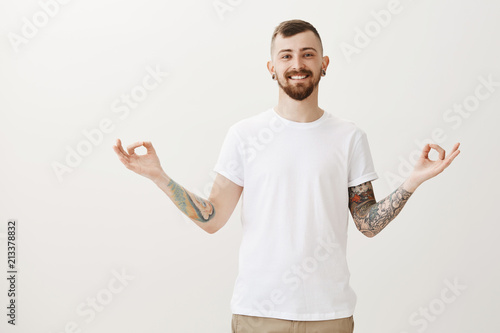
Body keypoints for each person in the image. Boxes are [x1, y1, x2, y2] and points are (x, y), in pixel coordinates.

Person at [112, 19, 461, 333]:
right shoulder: (245, 135)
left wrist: (412, 180)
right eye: (286, 56)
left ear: (324, 64)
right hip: (259, 312)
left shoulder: (349, 137)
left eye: (308, 54)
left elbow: (367, 223)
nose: (297, 64)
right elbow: (213, 217)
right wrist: (160, 177)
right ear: (271, 67)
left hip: (330, 313)